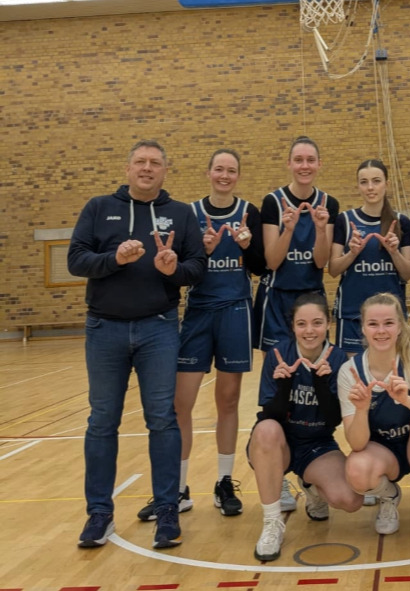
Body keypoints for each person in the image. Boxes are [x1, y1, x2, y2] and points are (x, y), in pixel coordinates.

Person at [68, 140, 207, 549]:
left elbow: (196, 268)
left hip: (158, 328)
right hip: (104, 329)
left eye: (155, 163)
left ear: (165, 171)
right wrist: (115, 259)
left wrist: (172, 269)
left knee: (162, 418)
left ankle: (167, 510)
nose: (147, 168)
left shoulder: (180, 214)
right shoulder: (98, 207)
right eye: (141, 162)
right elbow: (76, 260)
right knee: (102, 421)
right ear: (128, 168)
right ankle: (99, 514)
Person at [135, 149, 265, 522]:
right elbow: (177, 269)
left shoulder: (249, 212)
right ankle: (176, 489)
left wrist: (246, 246)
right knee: (181, 403)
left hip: (235, 311)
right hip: (198, 313)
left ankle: (224, 482)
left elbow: (260, 266)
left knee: (228, 401)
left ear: (238, 175)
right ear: (208, 173)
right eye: (219, 169)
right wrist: (204, 251)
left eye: (231, 170)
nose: (225, 175)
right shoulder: (188, 214)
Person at [253, 135, 340, 510]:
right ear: (289, 163)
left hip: (312, 299)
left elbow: (322, 262)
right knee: (280, 386)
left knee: (316, 384)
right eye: (298, 160)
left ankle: (313, 467)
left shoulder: (328, 204)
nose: (304, 166)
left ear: (319, 164)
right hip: (277, 301)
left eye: (310, 160)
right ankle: (279, 477)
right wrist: (288, 227)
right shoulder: (273, 202)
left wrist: (320, 228)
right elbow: (272, 261)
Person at [338, 293, 410, 561]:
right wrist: (361, 409)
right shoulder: (349, 372)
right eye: (373, 324)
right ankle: (389, 495)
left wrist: (407, 400)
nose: (381, 331)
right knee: (357, 470)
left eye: (388, 323)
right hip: (384, 454)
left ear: (401, 326)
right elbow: (356, 443)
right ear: (363, 328)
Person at [247, 293, 362, 561]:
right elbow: (270, 415)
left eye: (317, 323)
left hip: (317, 443)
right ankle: (272, 522)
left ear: (328, 323)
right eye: (301, 324)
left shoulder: (339, 359)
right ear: (293, 326)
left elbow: (334, 419)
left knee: (350, 500)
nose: (309, 330)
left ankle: (310, 486)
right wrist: (284, 386)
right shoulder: (278, 354)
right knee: (266, 429)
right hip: (278, 443)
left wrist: (321, 384)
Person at [329, 158, 410, 355]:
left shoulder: (402, 222)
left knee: (391, 370)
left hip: (390, 317)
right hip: (352, 313)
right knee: (353, 371)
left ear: (386, 184)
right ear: (358, 186)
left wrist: (394, 252)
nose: (370, 187)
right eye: (364, 182)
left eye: (376, 181)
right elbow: (333, 269)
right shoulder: (345, 220)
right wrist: (352, 253)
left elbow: (408, 273)